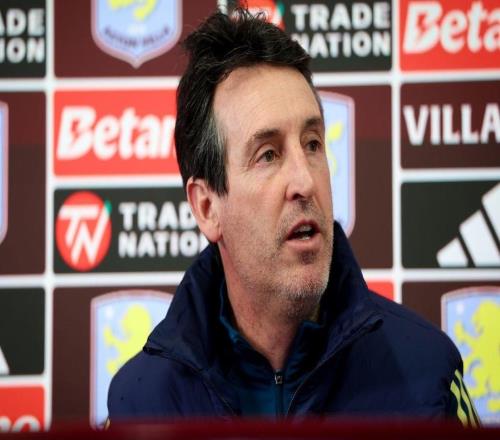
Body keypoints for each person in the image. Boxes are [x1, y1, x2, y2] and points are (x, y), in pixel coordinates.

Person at [108, 9, 478, 425]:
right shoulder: (140, 403)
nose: (304, 181)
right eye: (268, 154)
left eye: (313, 144)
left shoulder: (426, 375)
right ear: (207, 207)